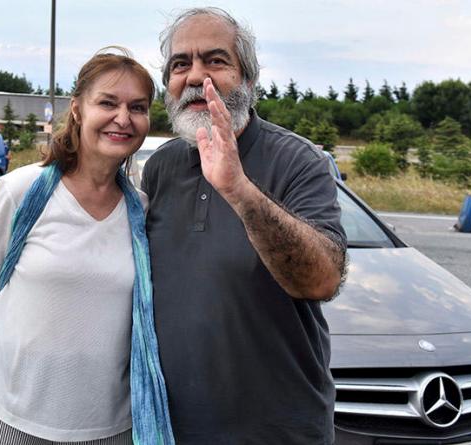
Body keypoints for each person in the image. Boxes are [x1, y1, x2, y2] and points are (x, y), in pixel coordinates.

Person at [141, 8, 347, 444]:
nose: (196, 77)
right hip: (170, 429)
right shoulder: (160, 168)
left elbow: (322, 280)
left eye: (215, 61)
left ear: (249, 80)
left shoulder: (298, 161)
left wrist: (238, 189)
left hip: (277, 432)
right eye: (181, 64)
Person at [0, 48, 174, 445]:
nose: (123, 118)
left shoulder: (141, 211)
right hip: (4, 416)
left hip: (106, 426)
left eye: (137, 107)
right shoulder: (18, 192)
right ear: (77, 109)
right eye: (107, 102)